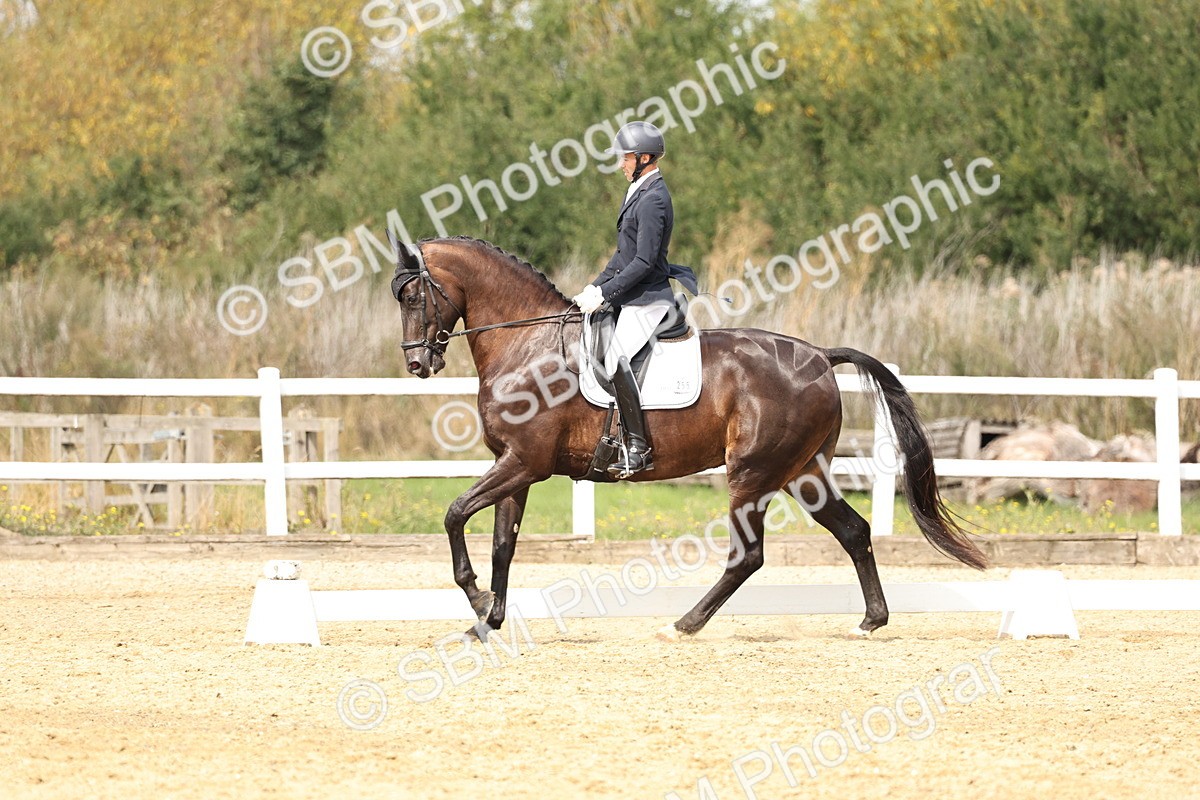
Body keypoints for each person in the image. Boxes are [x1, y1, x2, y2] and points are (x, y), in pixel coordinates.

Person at [572, 121, 695, 478]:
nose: (621, 164)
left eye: (625, 158)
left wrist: (607, 293)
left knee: (614, 360)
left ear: (644, 157)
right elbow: (622, 255)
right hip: (631, 296)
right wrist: (593, 288)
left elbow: (643, 262)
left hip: (649, 300)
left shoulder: (655, 197)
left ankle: (639, 448)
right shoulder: (639, 190)